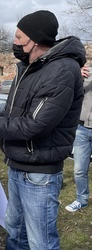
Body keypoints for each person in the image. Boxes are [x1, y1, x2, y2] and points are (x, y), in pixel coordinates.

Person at [0, 10, 85, 249]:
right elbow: (14, 113)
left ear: (35, 40)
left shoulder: (61, 70)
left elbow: (34, 125)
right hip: (18, 164)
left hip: (39, 174)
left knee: (41, 242)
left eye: (18, 37)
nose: (14, 42)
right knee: (15, 233)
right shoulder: (30, 67)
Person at [65, 65, 92, 212]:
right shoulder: (87, 74)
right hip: (81, 129)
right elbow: (71, 94)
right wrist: (77, 77)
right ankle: (82, 199)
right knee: (79, 170)